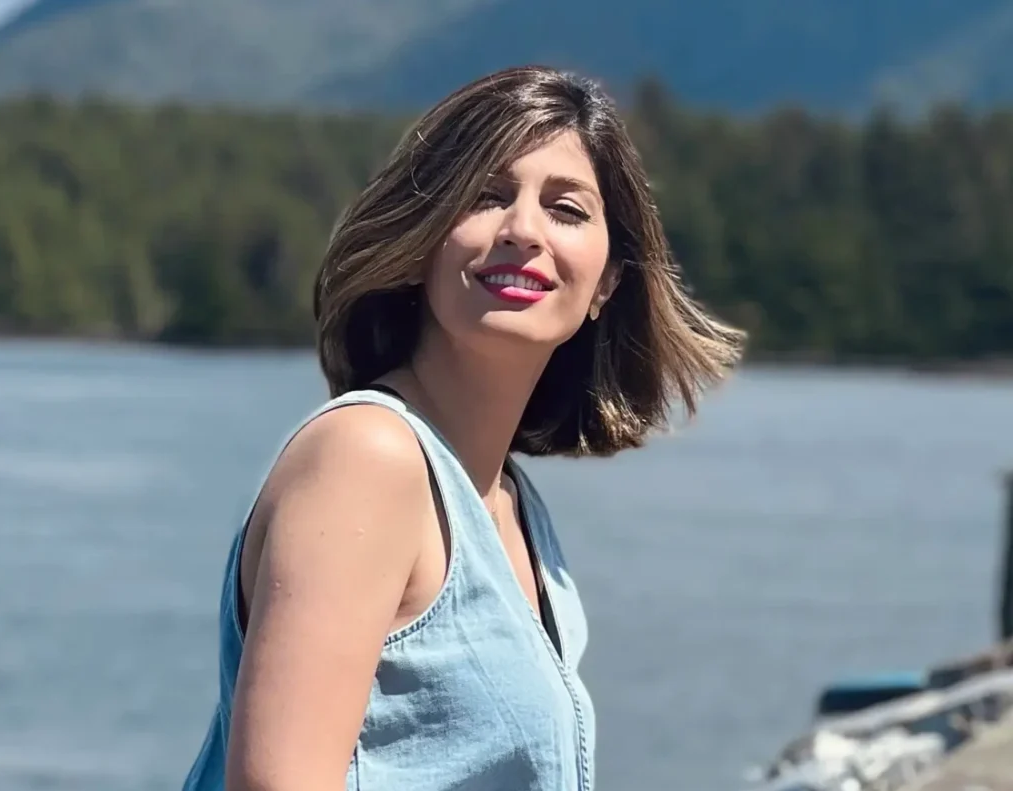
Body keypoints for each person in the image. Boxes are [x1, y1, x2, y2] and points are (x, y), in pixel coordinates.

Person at [181, 65, 744, 791]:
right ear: (424, 241)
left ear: (607, 282)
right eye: (486, 196)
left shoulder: (514, 507)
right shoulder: (367, 459)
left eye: (566, 209)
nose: (524, 231)